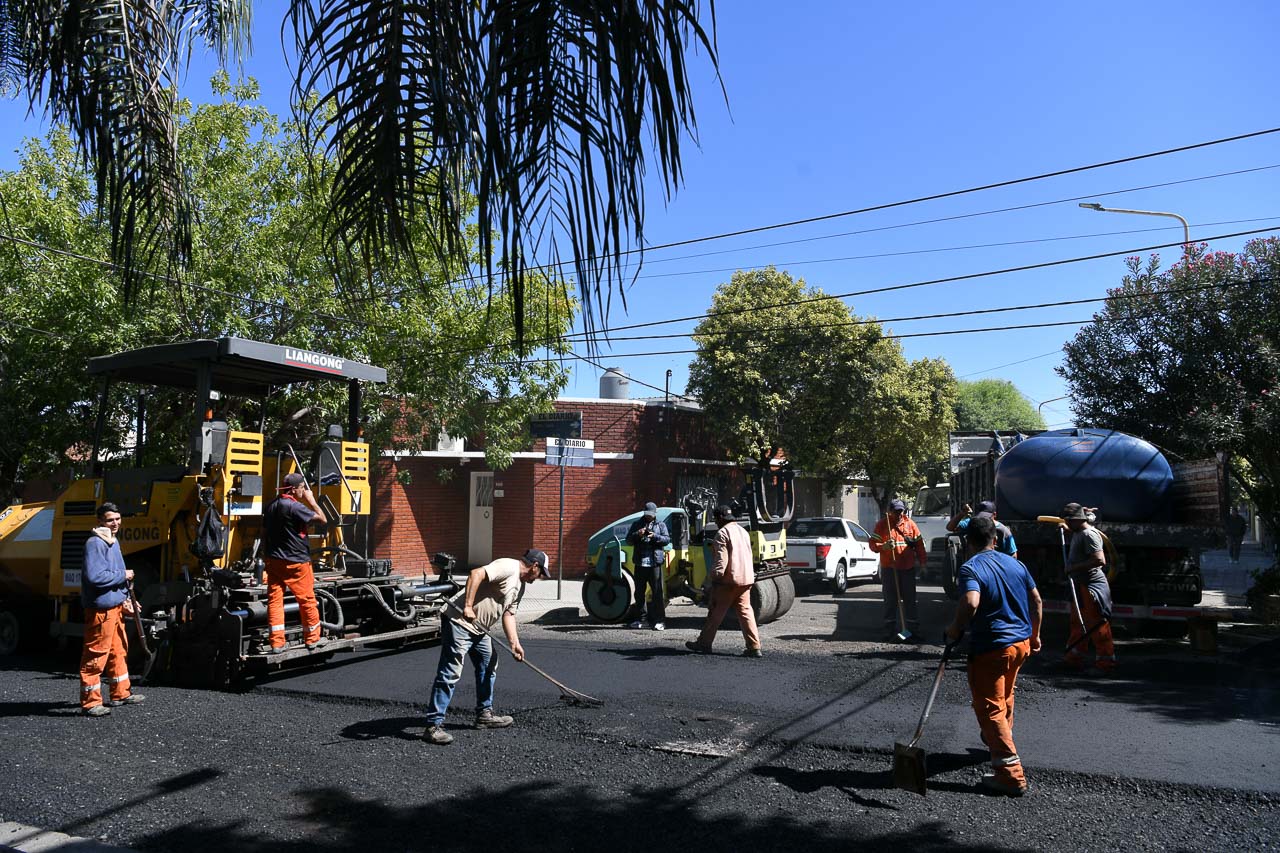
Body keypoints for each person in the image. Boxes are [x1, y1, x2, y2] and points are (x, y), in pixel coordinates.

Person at [945, 516, 1042, 797]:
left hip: (993, 647)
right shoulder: (1016, 564)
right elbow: (1036, 601)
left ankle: (1010, 775)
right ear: (995, 539)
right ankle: (997, 741)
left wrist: (954, 629)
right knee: (1006, 695)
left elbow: (970, 602)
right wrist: (1035, 635)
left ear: (968, 541)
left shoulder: (971, 567)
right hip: (1020, 645)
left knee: (990, 707)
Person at [425, 549, 550, 745]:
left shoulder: (520, 585)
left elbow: (509, 614)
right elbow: (476, 573)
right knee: (451, 672)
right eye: (541, 573)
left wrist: (515, 644)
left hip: (480, 629)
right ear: (535, 566)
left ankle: (484, 715)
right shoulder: (508, 566)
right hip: (459, 622)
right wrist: (468, 606)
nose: (539, 578)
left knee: (489, 664)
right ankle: (433, 725)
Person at [79, 502, 146, 716]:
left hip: (114, 608)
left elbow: (115, 575)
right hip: (101, 611)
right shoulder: (95, 543)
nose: (115, 523)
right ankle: (91, 703)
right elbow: (95, 577)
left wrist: (125, 600)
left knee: (119, 650)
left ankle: (120, 694)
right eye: (110, 520)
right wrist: (123, 575)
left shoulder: (112, 541)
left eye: (117, 519)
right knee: (96, 655)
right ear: (100, 521)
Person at [263, 471, 328, 654]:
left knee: (275, 601)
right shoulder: (295, 507)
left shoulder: (270, 506)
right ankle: (312, 639)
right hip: (296, 562)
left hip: (274, 561)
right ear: (293, 489)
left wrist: (265, 556)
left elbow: (264, 533)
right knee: (307, 600)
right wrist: (312, 500)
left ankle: (276, 643)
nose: (303, 491)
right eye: (302, 488)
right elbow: (323, 519)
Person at [686, 504, 762, 658]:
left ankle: (704, 643)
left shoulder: (722, 533)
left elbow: (721, 561)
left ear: (720, 518)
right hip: (745, 579)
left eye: (716, 519)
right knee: (746, 612)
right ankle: (754, 647)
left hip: (728, 581)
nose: (716, 522)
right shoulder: (743, 531)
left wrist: (712, 579)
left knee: (715, 612)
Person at [1061, 502, 1115, 673]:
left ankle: (1105, 664)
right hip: (1080, 585)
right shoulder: (1078, 531)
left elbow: (1099, 560)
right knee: (1078, 623)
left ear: (1078, 520)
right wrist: (1066, 528)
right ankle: (1073, 658)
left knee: (1097, 625)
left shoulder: (1089, 535)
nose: (1067, 523)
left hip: (1092, 586)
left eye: (1069, 521)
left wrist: (1073, 567)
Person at [869, 498, 928, 641]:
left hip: (907, 568)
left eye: (901, 511)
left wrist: (923, 564)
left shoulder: (910, 525)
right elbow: (872, 544)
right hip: (890, 569)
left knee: (910, 600)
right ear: (890, 512)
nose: (899, 514)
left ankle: (913, 630)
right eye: (896, 511)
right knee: (890, 600)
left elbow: (920, 546)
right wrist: (884, 546)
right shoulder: (882, 525)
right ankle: (889, 630)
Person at [626, 501, 672, 630]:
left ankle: (660, 621)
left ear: (655, 513)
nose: (649, 516)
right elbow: (628, 540)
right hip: (640, 563)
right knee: (639, 593)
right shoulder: (637, 524)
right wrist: (638, 534)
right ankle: (642, 620)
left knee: (657, 593)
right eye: (647, 513)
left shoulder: (660, 525)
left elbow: (667, 540)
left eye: (651, 514)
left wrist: (654, 536)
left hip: (654, 564)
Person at [946, 500, 1018, 559]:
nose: (984, 519)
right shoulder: (973, 523)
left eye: (987, 516)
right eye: (981, 516)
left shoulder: (1003, 531)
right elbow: (950, 527)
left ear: (994, 514)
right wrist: (962, 514)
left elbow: (1012, 554)